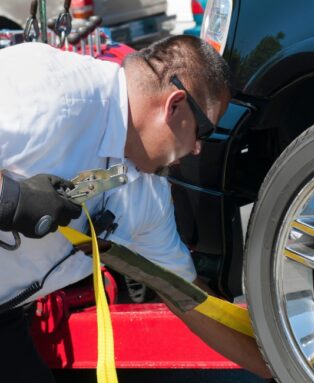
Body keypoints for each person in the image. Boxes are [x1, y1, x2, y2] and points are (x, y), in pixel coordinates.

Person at [0, 35, 272, 382]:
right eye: (203, 131)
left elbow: (187, 298)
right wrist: (11, 198)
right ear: (174, 105)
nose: (198, 149)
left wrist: (290, 369)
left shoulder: (147, 193)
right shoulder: (47, 88)